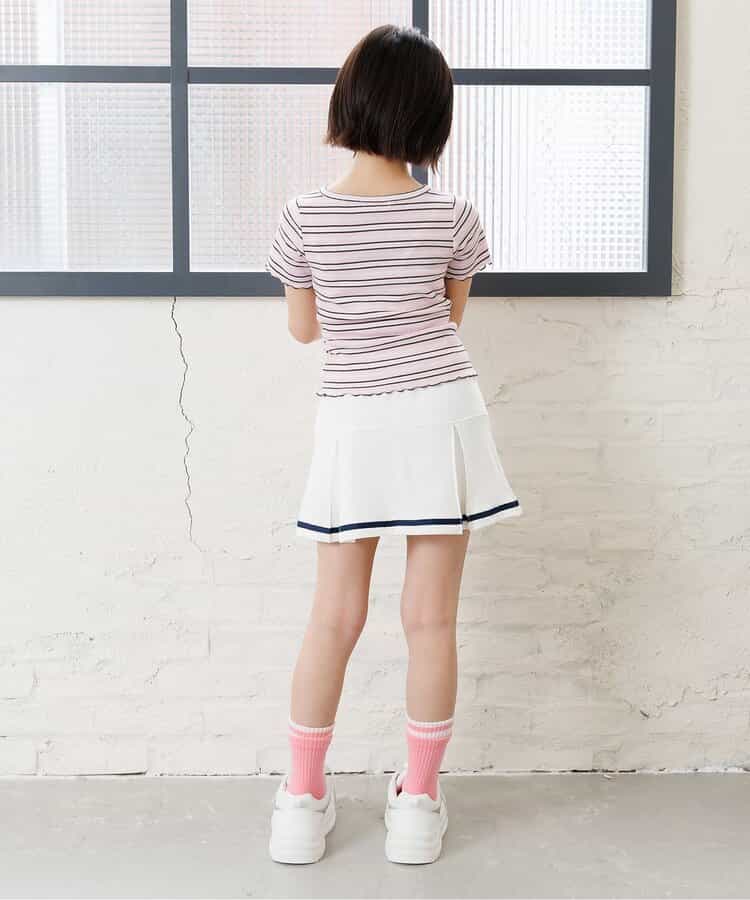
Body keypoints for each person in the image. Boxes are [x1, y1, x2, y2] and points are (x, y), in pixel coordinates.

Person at [264, 23, 522, 866]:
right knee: (431, 619)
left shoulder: (302, 217)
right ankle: (416, 805)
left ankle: (301, 803)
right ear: (432, 117)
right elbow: (448, 319)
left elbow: (306, 331)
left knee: (333, 616)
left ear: (349, 101)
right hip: (441, 413)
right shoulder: (454, 216)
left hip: (355, 419)